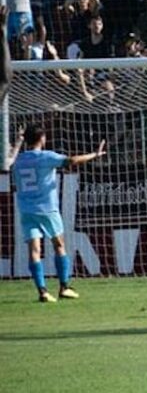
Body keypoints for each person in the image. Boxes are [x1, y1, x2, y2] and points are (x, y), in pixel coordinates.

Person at [7, 124, 106, 302]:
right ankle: (64, 287)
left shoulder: (19, 161)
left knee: (34, 249)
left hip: (26, 210)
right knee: (59, 245)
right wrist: (95, 155)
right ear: (42, 139)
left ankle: (43, 291)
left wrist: (18, 141)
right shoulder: (46, 157)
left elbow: (9, 162)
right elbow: (72, 161)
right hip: (47, 208)